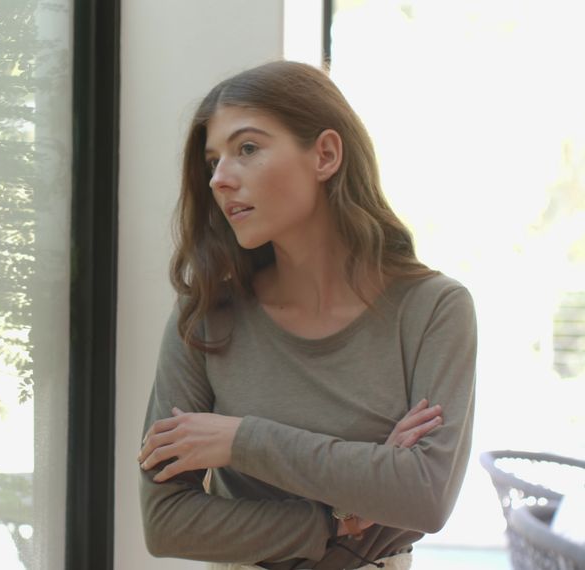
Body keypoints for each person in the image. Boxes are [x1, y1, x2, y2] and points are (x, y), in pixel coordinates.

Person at [136, 60, 477, 570]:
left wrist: (239, 439)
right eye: (213, 162)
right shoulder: (206, 314)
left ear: (324, 155)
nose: (219, 180)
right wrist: (338, 518)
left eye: (246, 149)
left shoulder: (433, 309)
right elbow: (166, 523)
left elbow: (424, 496)